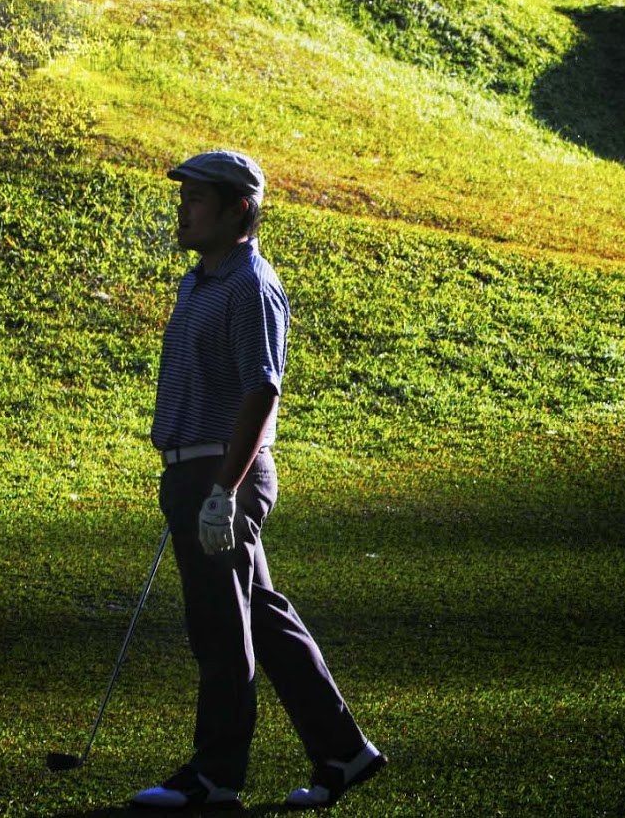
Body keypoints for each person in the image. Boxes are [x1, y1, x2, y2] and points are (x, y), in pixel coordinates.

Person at [132, 149, 386, 811]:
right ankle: (344, 750)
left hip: (223, 473)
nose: (183, 211)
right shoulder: (198, 282)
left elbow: (262, 390)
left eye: (196, 200)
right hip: (195, 470)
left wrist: (221, 491)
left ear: (238, 209)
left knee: (220, 628)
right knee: (263, 618)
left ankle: (216, 775)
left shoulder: (250, 285)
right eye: (182, 198)